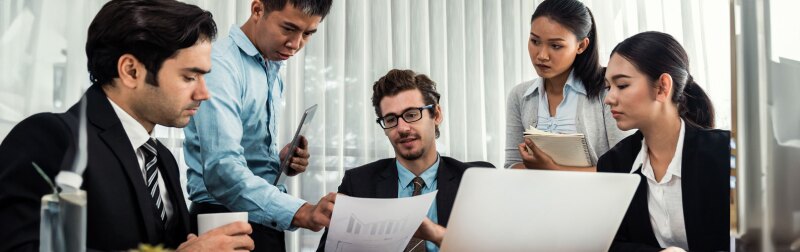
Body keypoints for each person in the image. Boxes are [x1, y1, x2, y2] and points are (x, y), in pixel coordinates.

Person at [0, 0, 254, 251]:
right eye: (189, 77)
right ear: (131, 71)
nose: (203, 93)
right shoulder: (49, 137)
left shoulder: (164, 159)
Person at [182, 0, 335, 251]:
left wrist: (279, 160)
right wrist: (303, 212)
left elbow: (242, 151)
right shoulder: (220, 66)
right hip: (223, 220)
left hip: (263, 218)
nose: (296, 44)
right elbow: (223, 170)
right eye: (288, 28)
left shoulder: (269, 63)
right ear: (257, 10)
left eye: (307, 33)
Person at [315, 69, 494, 252]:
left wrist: (437, 235)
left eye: (411, 114)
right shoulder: (359, 183)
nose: (402, 128)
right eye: (391, 119)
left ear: (437, 115)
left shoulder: (476, 179)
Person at [598, 31, 730, 252]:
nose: (609, 98)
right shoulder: (613, 165)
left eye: (621, 85)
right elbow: (611, 244)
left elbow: (757, 240)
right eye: (608, 87)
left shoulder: (727, 153)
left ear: (662, 87)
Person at [505, 0, 628, 171]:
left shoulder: (607, 92)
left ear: (581, 45)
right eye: (535, 41)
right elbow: (512, 164)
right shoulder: (519, 95)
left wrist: (552, 169)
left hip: (597, 197)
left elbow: (623, 167)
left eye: (555, 46)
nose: (541, 55)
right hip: (537, 196)